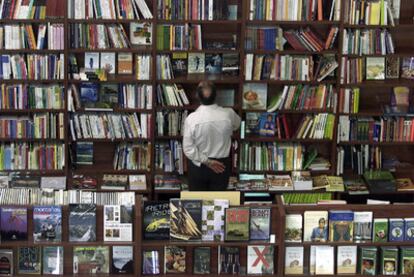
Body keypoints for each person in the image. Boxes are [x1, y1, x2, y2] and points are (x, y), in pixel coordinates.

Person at [183, 81, 241, 191]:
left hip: (199, 166)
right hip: (221, 166)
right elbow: (236, 125)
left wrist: (208, 162)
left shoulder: (191, 119)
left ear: (197, 97)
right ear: (216, 95)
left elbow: (188, 149)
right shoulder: (228, 114)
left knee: (197, 205)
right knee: (219, 204)